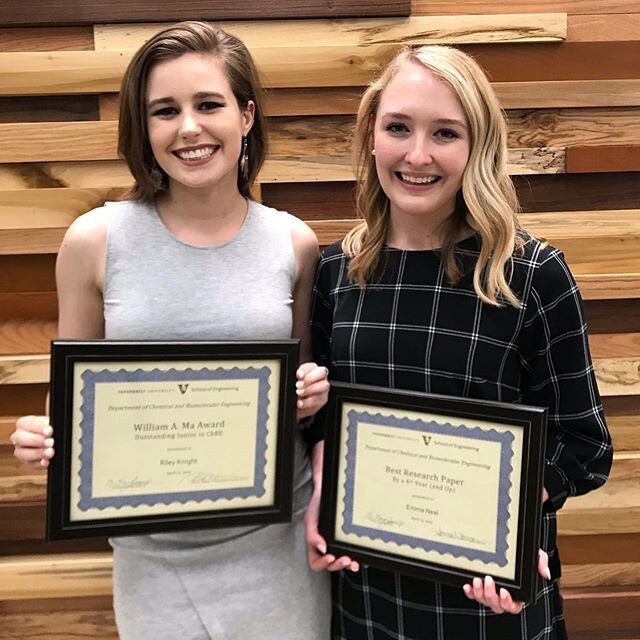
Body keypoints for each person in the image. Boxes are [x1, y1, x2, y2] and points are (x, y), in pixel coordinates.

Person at [11, 21, 331, 640]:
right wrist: (44, 440)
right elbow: (75, 400)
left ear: (246, 116)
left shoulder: (294, 243)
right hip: (152, 554)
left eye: (208, 104)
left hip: (277, 547)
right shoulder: (94, 242)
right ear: (144, 127)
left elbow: (298, 393)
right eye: (165, 110)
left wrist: (309, 393)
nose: (188, 127)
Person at [306, 45, 613, 639]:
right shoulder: (336, 274)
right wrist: (320, 497)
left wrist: (509, 528)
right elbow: (322, 429)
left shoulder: (529, 275)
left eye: (445, 132)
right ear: (372, 135)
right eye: (399, 127)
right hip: (367, 601)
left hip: (489, 605)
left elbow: (584, 445)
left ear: (478, 147)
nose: (417, 154)